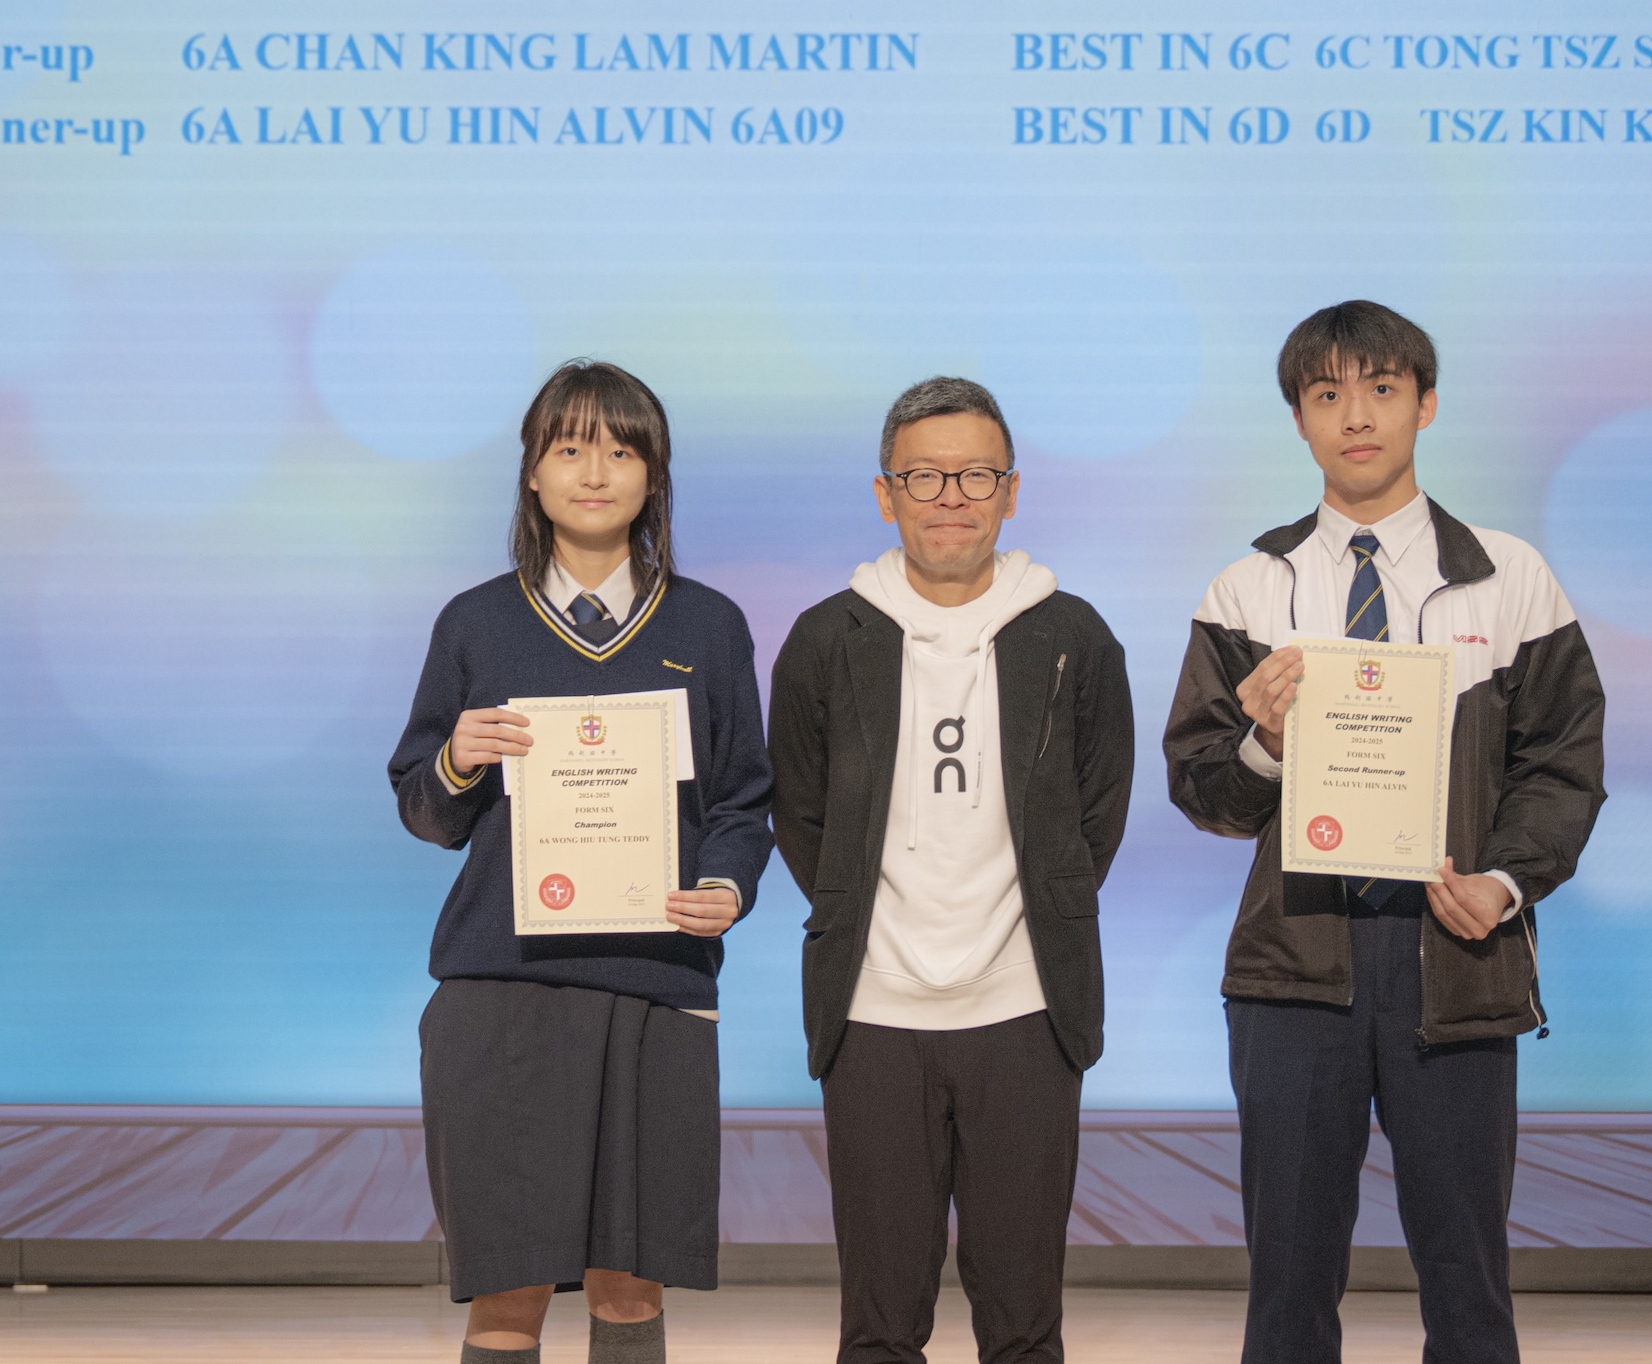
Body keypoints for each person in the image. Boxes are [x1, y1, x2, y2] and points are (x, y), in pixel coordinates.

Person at [1162, 301, 1606, 1364]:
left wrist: (1505, 881)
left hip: (1455, 957)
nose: (1354, 416)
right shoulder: (1249, 588)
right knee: (1287, 1280)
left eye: (1380, 388)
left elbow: (1562, 762)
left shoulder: (1509, 578)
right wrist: (1265, 741)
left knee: (1467, 1278)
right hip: (1293, 967)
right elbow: (1203, 790)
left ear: (1426, 404)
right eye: (1327, 394)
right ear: (1298, 419)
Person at [389, 360, 775, 1364]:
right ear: (532, 471)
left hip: (656, 984)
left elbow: (743, 801)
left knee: (630, 1289)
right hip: (501, 989)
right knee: (507, 1294)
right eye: (569, 448)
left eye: (620, 450)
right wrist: (457, 758)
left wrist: (726, 885)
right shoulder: (474, 623)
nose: (594, 472)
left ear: (654, 473)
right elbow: (425, 811)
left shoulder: (708, 626)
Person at [769, 376, 1135, 1364]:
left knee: (1023, 1322)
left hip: (1026, 1008)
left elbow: (1095, 817)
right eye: (923, 476)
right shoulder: (826, 638)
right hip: (873, 1012)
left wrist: (1035, 918)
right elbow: (802, 819)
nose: (950, 497)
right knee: (880, 1323)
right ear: (884, 494)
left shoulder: (1073, 636)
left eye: (975, 475)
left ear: (1010, 492)